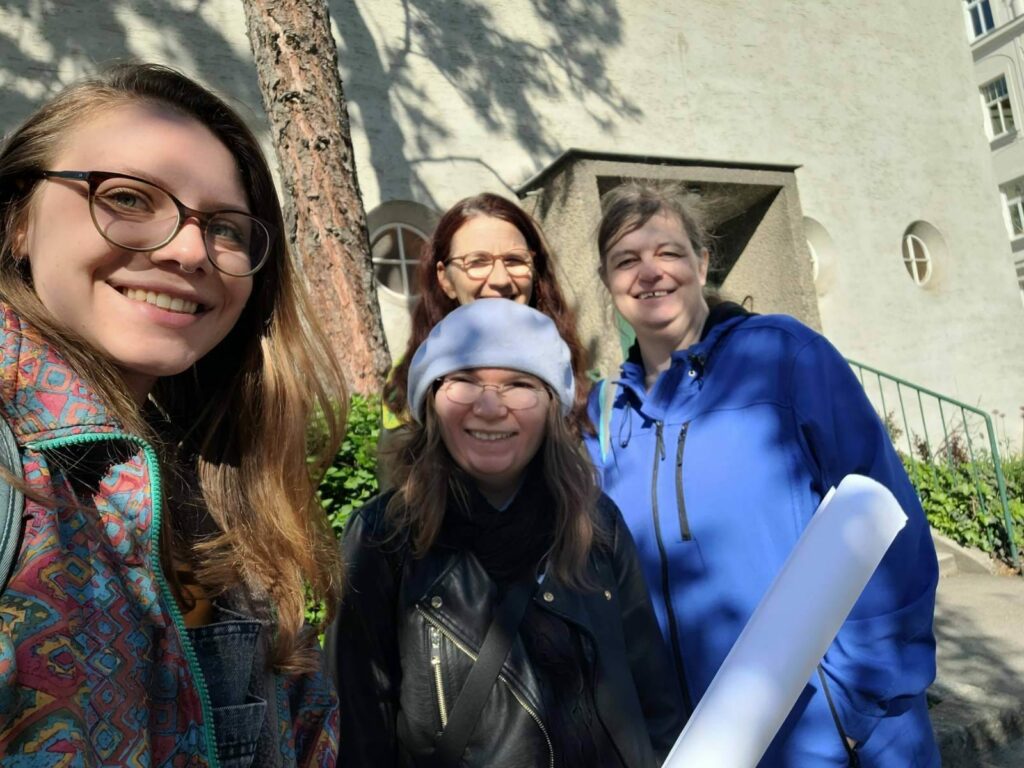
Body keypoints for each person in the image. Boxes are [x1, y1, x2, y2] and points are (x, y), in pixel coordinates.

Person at [0, 64, 344, 766]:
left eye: (224, 228)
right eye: (126, 197)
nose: (189, 251)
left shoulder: (224, 489)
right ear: (17, 222)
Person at [586, 182, 940, 767]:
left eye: (668, 252)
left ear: (702, 262)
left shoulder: (784, 356)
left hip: (834, 734)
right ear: (608, 282)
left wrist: (861, 706)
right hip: (704, 749)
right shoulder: (606, 418)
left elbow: (882, 518)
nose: (649, 273)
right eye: (626, 260)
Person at [329, 298, 686, 767]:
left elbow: (655, 699)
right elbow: (357, 727)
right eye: (465, 381)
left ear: (550, 406)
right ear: (431, 400)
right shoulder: (383, 538)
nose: (490, 406)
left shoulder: (596, 523)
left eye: (518, 384)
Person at [381, 193, 591, 438]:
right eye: (478, 262)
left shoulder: (575, 376)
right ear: (445, 279)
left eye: (514, 260)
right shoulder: (405, 384)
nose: (500, 280)